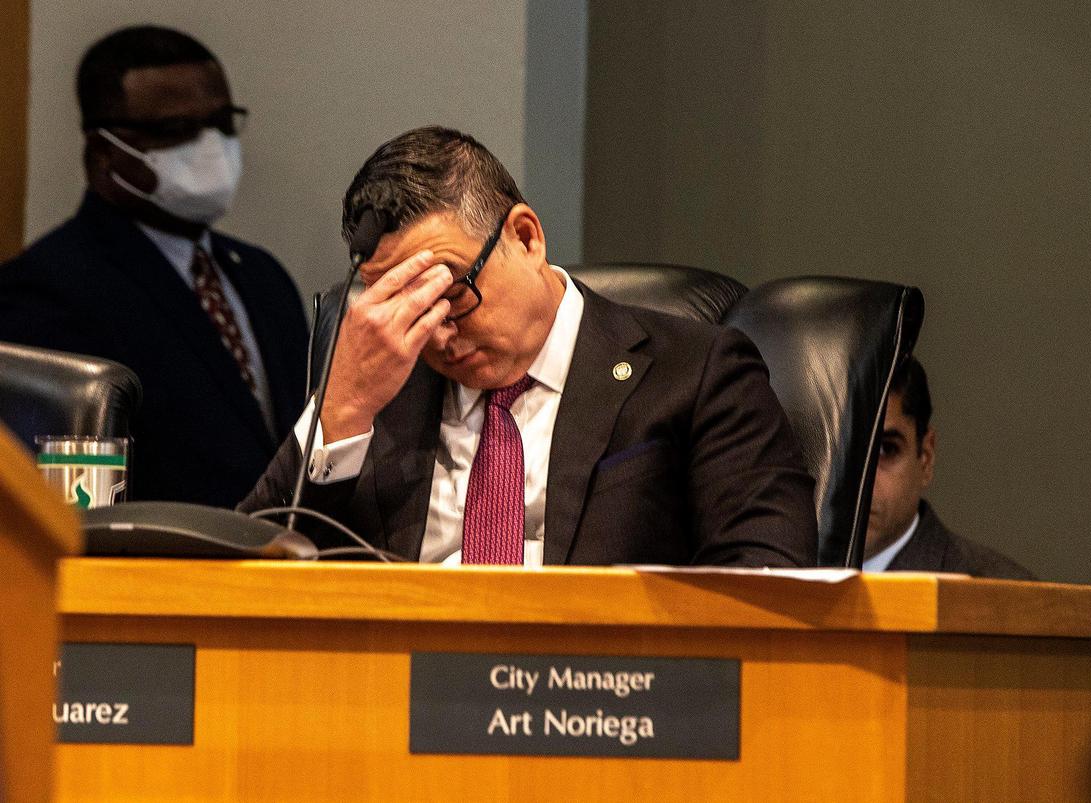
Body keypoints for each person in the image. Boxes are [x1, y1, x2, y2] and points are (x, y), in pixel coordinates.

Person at [241, 125, 817, 566]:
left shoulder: (696, 372)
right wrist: (341, 409)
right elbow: (244, 575)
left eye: (453, 292)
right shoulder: (377, 383)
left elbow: (770, 573)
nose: (436, 333)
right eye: (409, 306)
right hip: (401, 694)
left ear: (525, 236)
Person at [0, 26, 308, 508]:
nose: (210, 145)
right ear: (104, 153)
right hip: (148, 570)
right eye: (173, 131)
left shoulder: (261, 277)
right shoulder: (46, 289)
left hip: (286, 568)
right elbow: (68, 500)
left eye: (222, 122)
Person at [862, 357, 1035, 578]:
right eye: (838, 452)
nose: (859, 482)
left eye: (886, 450)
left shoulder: (1007, 598)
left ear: (925, 457)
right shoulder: (804, 578)